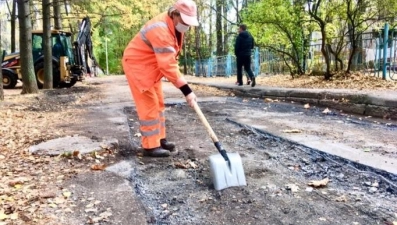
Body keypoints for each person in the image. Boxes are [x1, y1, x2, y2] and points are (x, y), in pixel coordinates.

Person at [122, 0, 199, 157]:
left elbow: (169, 59)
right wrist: (187, 91)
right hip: (139, 66)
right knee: (149, 105)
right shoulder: (161, 29)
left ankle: (159, 139)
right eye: (185, 21)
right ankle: (150, 146)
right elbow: (168, 65)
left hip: (152, 67)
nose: (187, 26)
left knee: (159, 104)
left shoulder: (174, 25)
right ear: (174, 14)